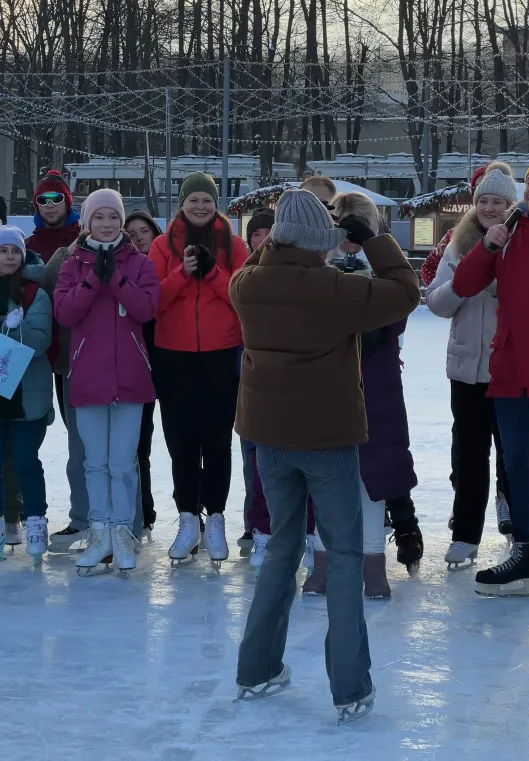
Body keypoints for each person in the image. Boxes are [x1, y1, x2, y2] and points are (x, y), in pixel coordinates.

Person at [230, 188, 420, 722]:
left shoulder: (246, 283)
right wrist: (375, 238)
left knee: (283, 548)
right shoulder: (334, 288)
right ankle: (350, 685)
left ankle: (257, 667)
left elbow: (265, 261)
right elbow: (406, 291)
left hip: (269, 437)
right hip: (328, 439)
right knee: (341, 556)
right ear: (321, 241)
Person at [452, 160, 529, 596]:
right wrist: (488, 245)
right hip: (509, 372)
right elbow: (466, 284)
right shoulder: (509, 232)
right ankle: (527, 554)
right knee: (518, 466)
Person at [54, 189, 159, 574]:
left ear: (121, 221)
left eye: (113, 217)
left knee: (123, 463)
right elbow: (65, 312)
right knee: (95, 463)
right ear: (86, 223)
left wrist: (115, 279)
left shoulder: (140, 263)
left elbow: (146, 309)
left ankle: (122, 534)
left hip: (130, 377)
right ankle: (99, 533)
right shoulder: (72, 263)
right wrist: (91, 282)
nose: (106, 224)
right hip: (89, 377)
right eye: (99, 217)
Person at [148, 172, 248, 564]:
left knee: (217, 439)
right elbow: (152, 301)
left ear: (216, 203)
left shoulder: (235, 245)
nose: (201, 206)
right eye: (194, 200)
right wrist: (182, 273)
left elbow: (242, 296)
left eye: (207, 200)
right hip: (173, 355)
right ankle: (188, 517)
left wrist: (212, 273)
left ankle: (216, 515)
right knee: (181, 441)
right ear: (182, 203)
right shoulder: (161, 245)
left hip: (222, 354)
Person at [328, 192, 422, 598]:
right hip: (330, 373)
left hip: (377, 371)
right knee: (334, 461)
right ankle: (330, 551)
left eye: (357, 227)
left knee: (384, 453)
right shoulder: (323, 259)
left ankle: (404, 523)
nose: (348, 237)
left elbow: (402, 305)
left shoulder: (384, 260)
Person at [426, 164, 517, 568]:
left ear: (510, 205)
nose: (490, 208)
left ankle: (517, 526)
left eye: (498, 201)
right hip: (466, 370)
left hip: (510, 367)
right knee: (469, 454)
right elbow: (438, 303)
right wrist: (467, 277)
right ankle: (465, 535)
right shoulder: (459, 243)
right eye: (483, 200)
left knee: (514, 453)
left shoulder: (525, 241)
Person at [21, 170, 84, 552]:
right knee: (26, 440)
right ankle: (18, 516)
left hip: (75, 355)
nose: (50, 206)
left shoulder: (81, 241)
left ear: (68, 203)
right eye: (43, 201)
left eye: (56, 199)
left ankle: (91, 516)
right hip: (36, 359)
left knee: (83, 443)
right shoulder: (24, 246)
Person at [0, 226, 53, 565]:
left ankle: (35, 522)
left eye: (14, 251)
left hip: (26, 395)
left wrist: (13, 326)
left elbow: (38, 342)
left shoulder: (36, 294)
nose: (9, 257)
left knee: (24, 461)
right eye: (3, 251)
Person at [237, 208, 275, 557]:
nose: (262, 241)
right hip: (250, 375)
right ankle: (256, 523)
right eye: (257, 234)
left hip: (288, 381)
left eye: (269, 233)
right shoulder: (244, 276)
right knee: (253, 454)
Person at [125, 210, 163, 536]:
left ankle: (196, 513)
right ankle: (143, 511)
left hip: (174, 361)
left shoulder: (168, 265)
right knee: (139, 445)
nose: (138, 238)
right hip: (139, 367)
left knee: (188, 443)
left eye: (143, 232)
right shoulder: (125, 271)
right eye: (132, 233)